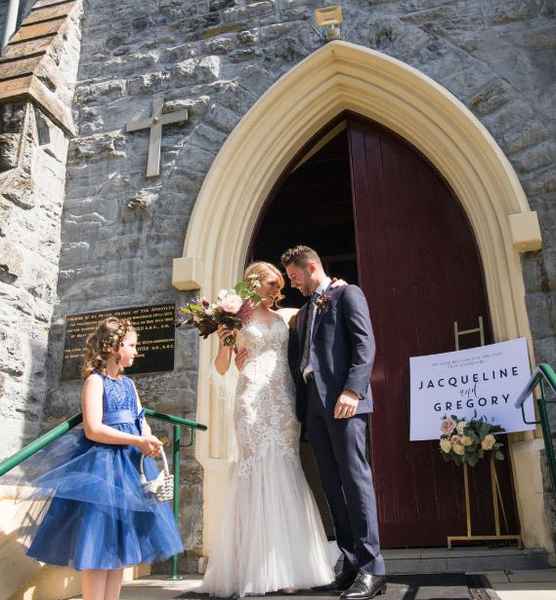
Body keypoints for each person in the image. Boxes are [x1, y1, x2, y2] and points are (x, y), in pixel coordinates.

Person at [16, 317, 183, 600]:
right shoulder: (95, 381)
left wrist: (148, 438)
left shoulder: (129, 384)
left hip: (131, 467)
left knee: (119, 548)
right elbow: (93, 429)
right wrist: (135, 440)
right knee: (99, 545)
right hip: (103, 467)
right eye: (131, 345)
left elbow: (140, 420)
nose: (135, 351)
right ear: (113, 346)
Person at [198, 261, 335, 597]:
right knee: (256, 471)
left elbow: (320, 306)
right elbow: (220, 366)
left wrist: (335, 284)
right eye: (273, 283)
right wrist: (228, 350)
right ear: (254, 284)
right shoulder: (233, 320)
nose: (279, 289)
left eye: (279, 284)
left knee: (286, 467)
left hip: (284, 399)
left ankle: (289, 566)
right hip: (252, 397)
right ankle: (254, 568)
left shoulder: (286, 316)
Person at [282, 245, 386, 600]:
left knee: (355, 481)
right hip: (313, 406)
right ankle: (351, 562)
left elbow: (364, 345)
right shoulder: (306, 309)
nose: (293, 284)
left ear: (312, 267)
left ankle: (373, 568)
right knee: (331, 485)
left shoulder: (347, 294)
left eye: (295, 277)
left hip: (344, 402)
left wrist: (353, 391)